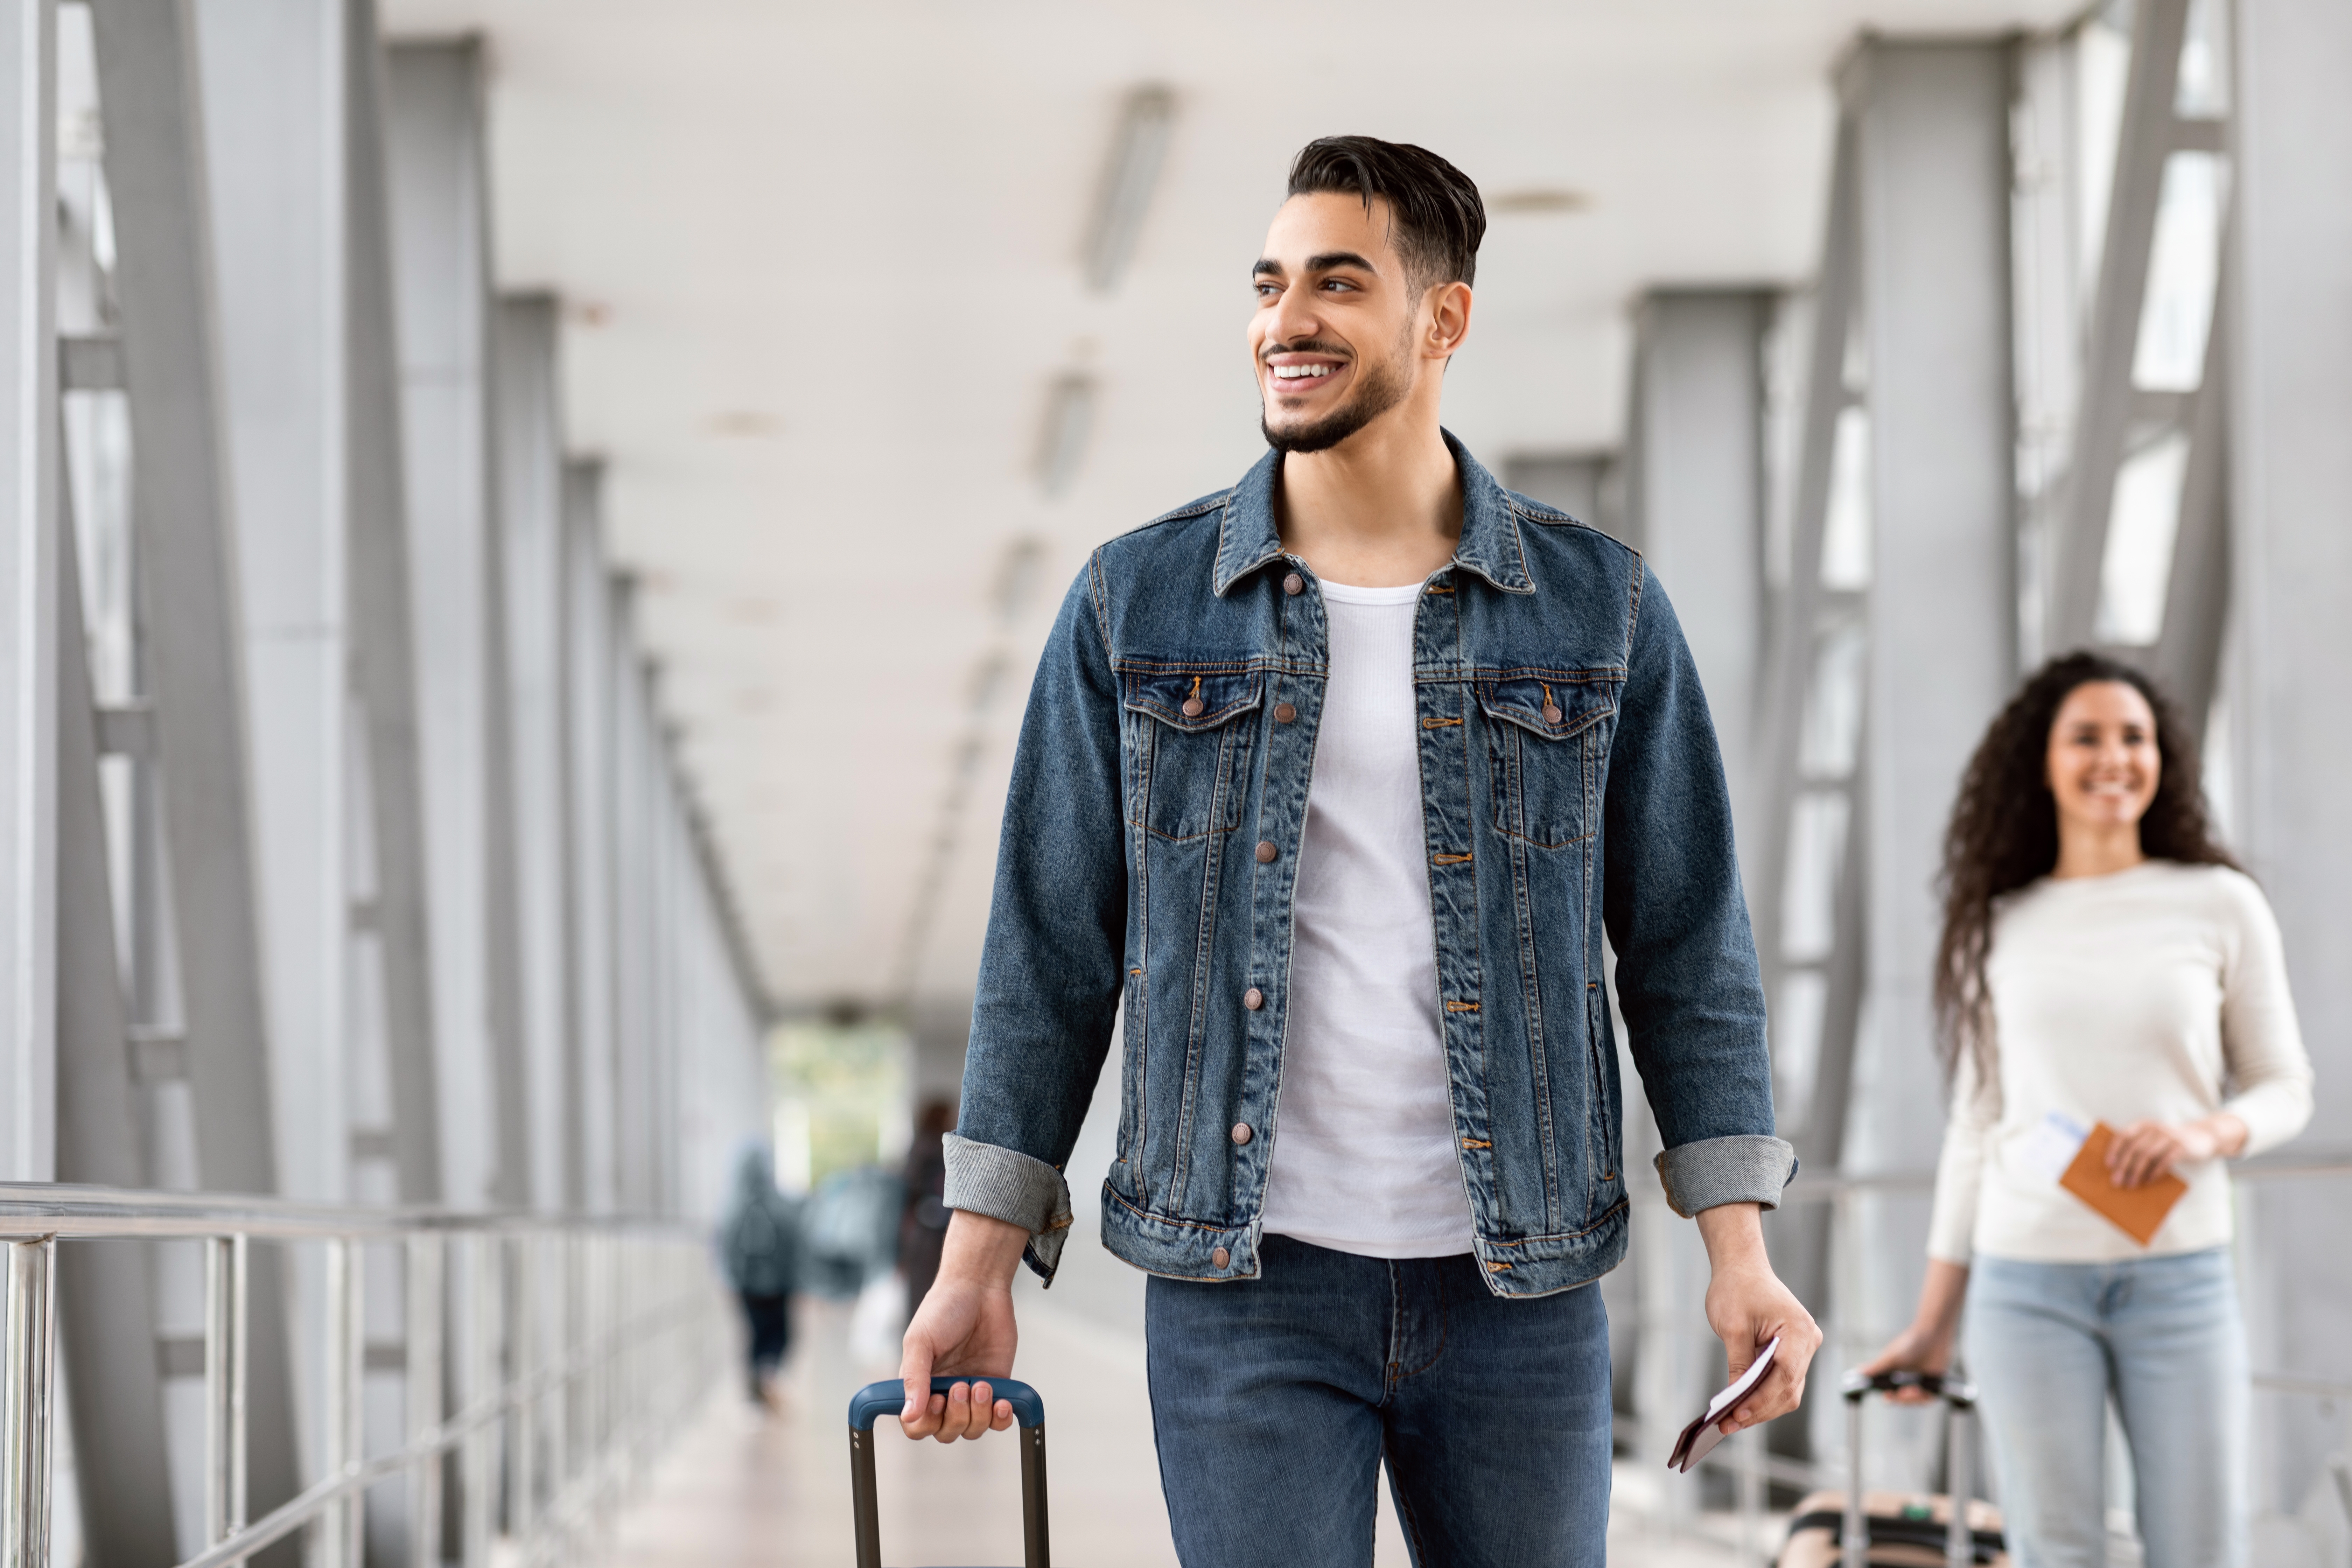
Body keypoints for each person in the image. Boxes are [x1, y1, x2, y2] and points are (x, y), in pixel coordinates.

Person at [898, 135, 1821, 1567]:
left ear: (1443, 319)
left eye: (1338, 281)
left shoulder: (1599, 608)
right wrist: (976, 1256)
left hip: (1520, 1282)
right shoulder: (1137, 603)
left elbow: (1690, 941)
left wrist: (1741, 1248)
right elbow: (1049, 947)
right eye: (1270, 284)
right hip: (1241, 1279)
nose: (1288, 320)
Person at [1864, 653, 2312, 1568]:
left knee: (2200, 1548)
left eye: (2135, 737)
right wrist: (1932, 1324)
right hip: (2025, 1287)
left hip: (2180, 1278)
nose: (2115, 757)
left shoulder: (2220, 903)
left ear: (2164, 759)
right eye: (2088, 737)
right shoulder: (1998, 921)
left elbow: (2284, 1087)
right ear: (2043, 760)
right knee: (2055, 1550)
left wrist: (2206, 1132)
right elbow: (1977, 1127)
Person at [719, 1142, 801, 1409]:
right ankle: (770, 1374)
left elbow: (726, 1245)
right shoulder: (781, 1205)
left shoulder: (734, 1207)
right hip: (779, 1286)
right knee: (779, 1335)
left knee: (754, 1336)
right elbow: (794, 1243)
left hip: (748, 1287)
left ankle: (755, 1395)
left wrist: (732, 1279)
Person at [900, 1099, 955, 1320]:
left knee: (926, 1293)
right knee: (925, 1293)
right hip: (928, 1234)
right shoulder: (931, 1147)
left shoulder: (924, 1146)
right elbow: (912, 1188)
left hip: (928, 1232)